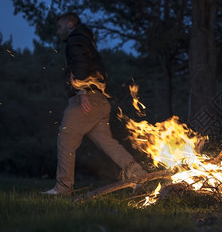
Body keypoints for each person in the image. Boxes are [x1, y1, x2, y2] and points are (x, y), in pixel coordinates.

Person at [42, 12, 147, 195]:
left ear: (70, 24)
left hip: (86, 99)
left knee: (66, 139)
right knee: (109, 144)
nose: (57, 32)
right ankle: (140, 175)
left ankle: (63, 187)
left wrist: (81, 91)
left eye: (59, 27)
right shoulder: (87, 41)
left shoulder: (75, 40)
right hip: (100, 101)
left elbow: (80, 64)